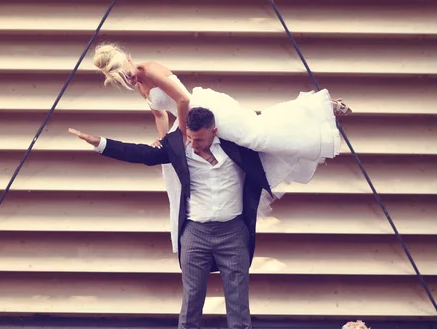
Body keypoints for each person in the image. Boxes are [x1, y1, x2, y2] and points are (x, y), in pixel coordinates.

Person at [69, 107, 269, 329]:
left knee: (238, 299)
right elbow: (141, 154)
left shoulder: (239, 145)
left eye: (199, 139)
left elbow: (276, 132)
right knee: (191, 300)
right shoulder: (179, 146)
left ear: (214, 132)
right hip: (195, 232)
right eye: (189, 136)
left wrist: (326, 111)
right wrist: (100, 143)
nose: (193, 143)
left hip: (233, 230)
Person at [91, 42, 351, 254]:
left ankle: (320, 109)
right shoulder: (137, 84)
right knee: (171, 173)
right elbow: (159, 114)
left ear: (127, 57)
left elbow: (182, 99)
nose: (131, 78)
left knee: (257, 135)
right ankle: (185, 232)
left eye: (128, 72)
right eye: (124, 79)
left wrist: (183, 133)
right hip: (187, 123)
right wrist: (166, 143)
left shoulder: (148, 68)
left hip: (202, 109)